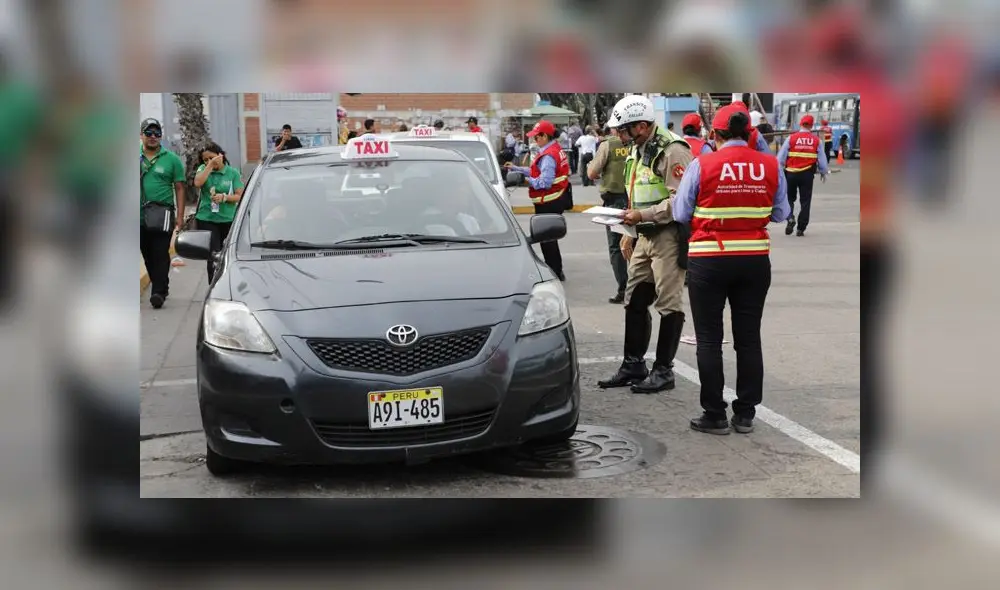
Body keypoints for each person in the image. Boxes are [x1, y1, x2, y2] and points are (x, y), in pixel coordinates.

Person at [671, 104, 790, 435]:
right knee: (748, 338)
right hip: (754, 260)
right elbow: (781, 214)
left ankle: (715, 414)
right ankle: (746, 413)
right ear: (748, 132)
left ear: (715, 134)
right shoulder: (768, 164)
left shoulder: (702, 164)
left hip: (709, 259)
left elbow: (681, 213)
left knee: (709, 339)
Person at [597, 95, 693, 394]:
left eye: (622, 129)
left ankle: (663, 371)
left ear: (641, 125)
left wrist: (644, 216)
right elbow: (635, 191)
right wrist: (629, 229)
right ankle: (633, 365)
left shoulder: (673, 150)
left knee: (668, 302)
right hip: (642, 233)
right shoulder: (638, 148)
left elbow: (682, 201)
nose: (618, 135)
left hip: (667, 234)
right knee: (635, 298)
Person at [503, 119, 570, 281]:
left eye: (537, 137)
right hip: (555, 199)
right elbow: (536, 171)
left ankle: (555, 272)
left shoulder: (548, 156)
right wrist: (517, 168)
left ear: (545, 136)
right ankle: (557, 270)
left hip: (548, 201)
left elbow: (544, 182)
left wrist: (524, 180)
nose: (534, 140)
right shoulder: (553, 150)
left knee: (547, 240)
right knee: (550, 238)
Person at [139, 118, 186, 309]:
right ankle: (162, 285)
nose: (152, 137)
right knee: (147, 253)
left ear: (161, 135)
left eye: (156, 133)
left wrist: (181, 216)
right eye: (148, 133)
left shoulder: (172, 159)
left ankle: (158, 292)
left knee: (160, 252)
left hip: (162, 213)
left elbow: (180, 188)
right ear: (141, 134)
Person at [587, 123, 630, 303]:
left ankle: (624, 289)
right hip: (638, 198)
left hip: (615, 201)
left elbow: (591, 173)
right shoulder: (638, 143)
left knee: (617, 247)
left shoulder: (608, 145)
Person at [192, 141, 244, 282]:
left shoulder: (232, 173)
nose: (209, 161)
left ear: (220, 155)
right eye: (205, 159)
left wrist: (225, 197)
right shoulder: (203, 169)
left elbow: (240, 196)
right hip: (207, 219)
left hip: (227, 219)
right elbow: (198, 183)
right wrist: (209, 166)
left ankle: (228, 283)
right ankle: (213, 285)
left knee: (228, 254)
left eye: (211, 157)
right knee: (213, 256)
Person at [777, 113, 828, 236]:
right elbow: (822, 160)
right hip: (807, 175)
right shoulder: (816, 140)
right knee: (805, 201)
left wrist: (779, 171)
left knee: (789, 198)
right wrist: (823, 172)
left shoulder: (791, 138)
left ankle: (790, 218)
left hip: (791, 174)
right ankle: (801, 228)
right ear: (811, 125)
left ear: (800, 124)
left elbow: (780, 158)